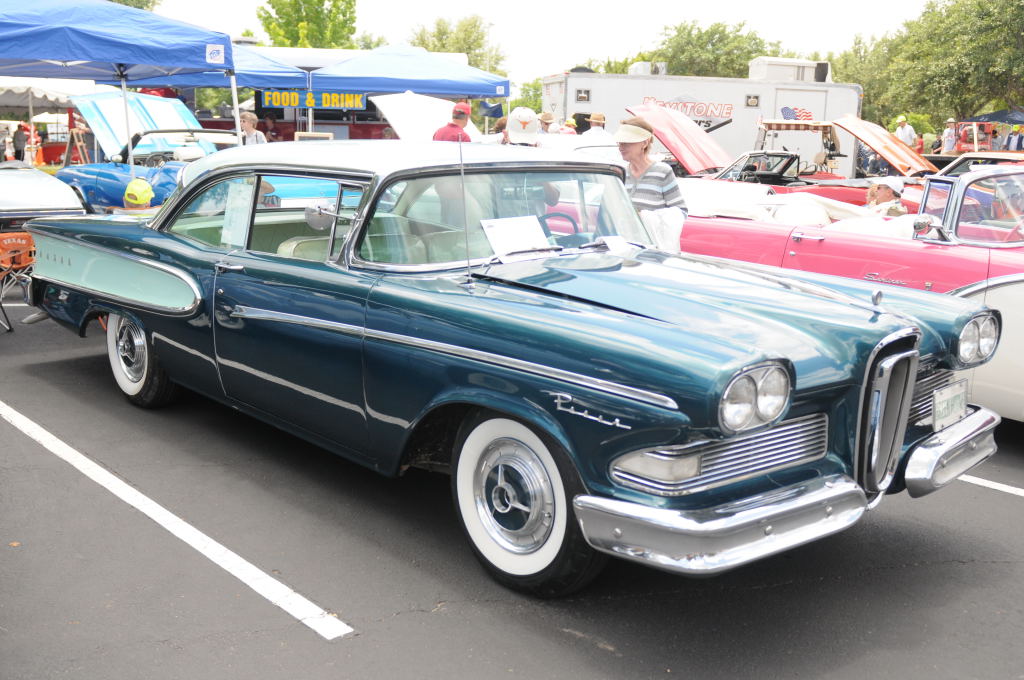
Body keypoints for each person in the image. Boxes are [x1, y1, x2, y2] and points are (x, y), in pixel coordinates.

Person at [614, 116, 686, 213]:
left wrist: (646, 216)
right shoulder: (621, 173)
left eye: (626, 142)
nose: (620, 147)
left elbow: (681, 211)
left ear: (644, 143)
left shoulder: (662, 172)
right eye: (620, 143)